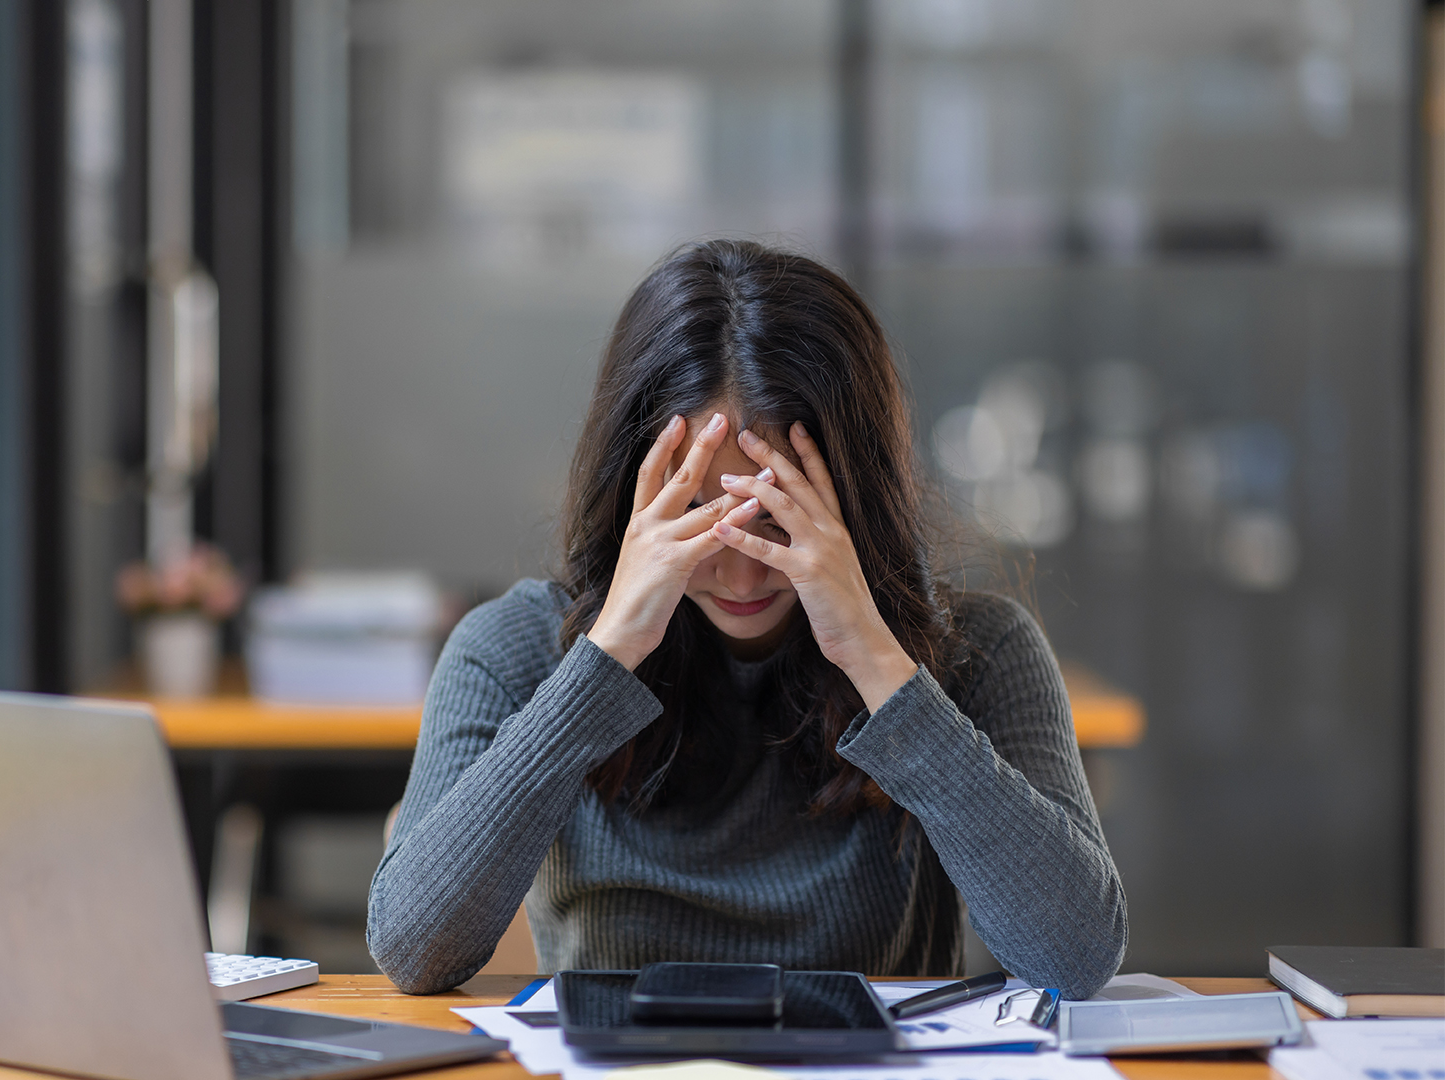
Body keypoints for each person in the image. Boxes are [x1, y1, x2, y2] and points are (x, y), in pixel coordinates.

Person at [366, 239, 1127, 999]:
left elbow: (1077, 959)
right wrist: (606, 658)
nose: (740, 570)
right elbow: (413, 949)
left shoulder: (978, 651)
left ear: (856, 502)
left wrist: (876, 658)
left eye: (777, 520)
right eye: (698, 518)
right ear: (631, 493)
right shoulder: (518, 647)